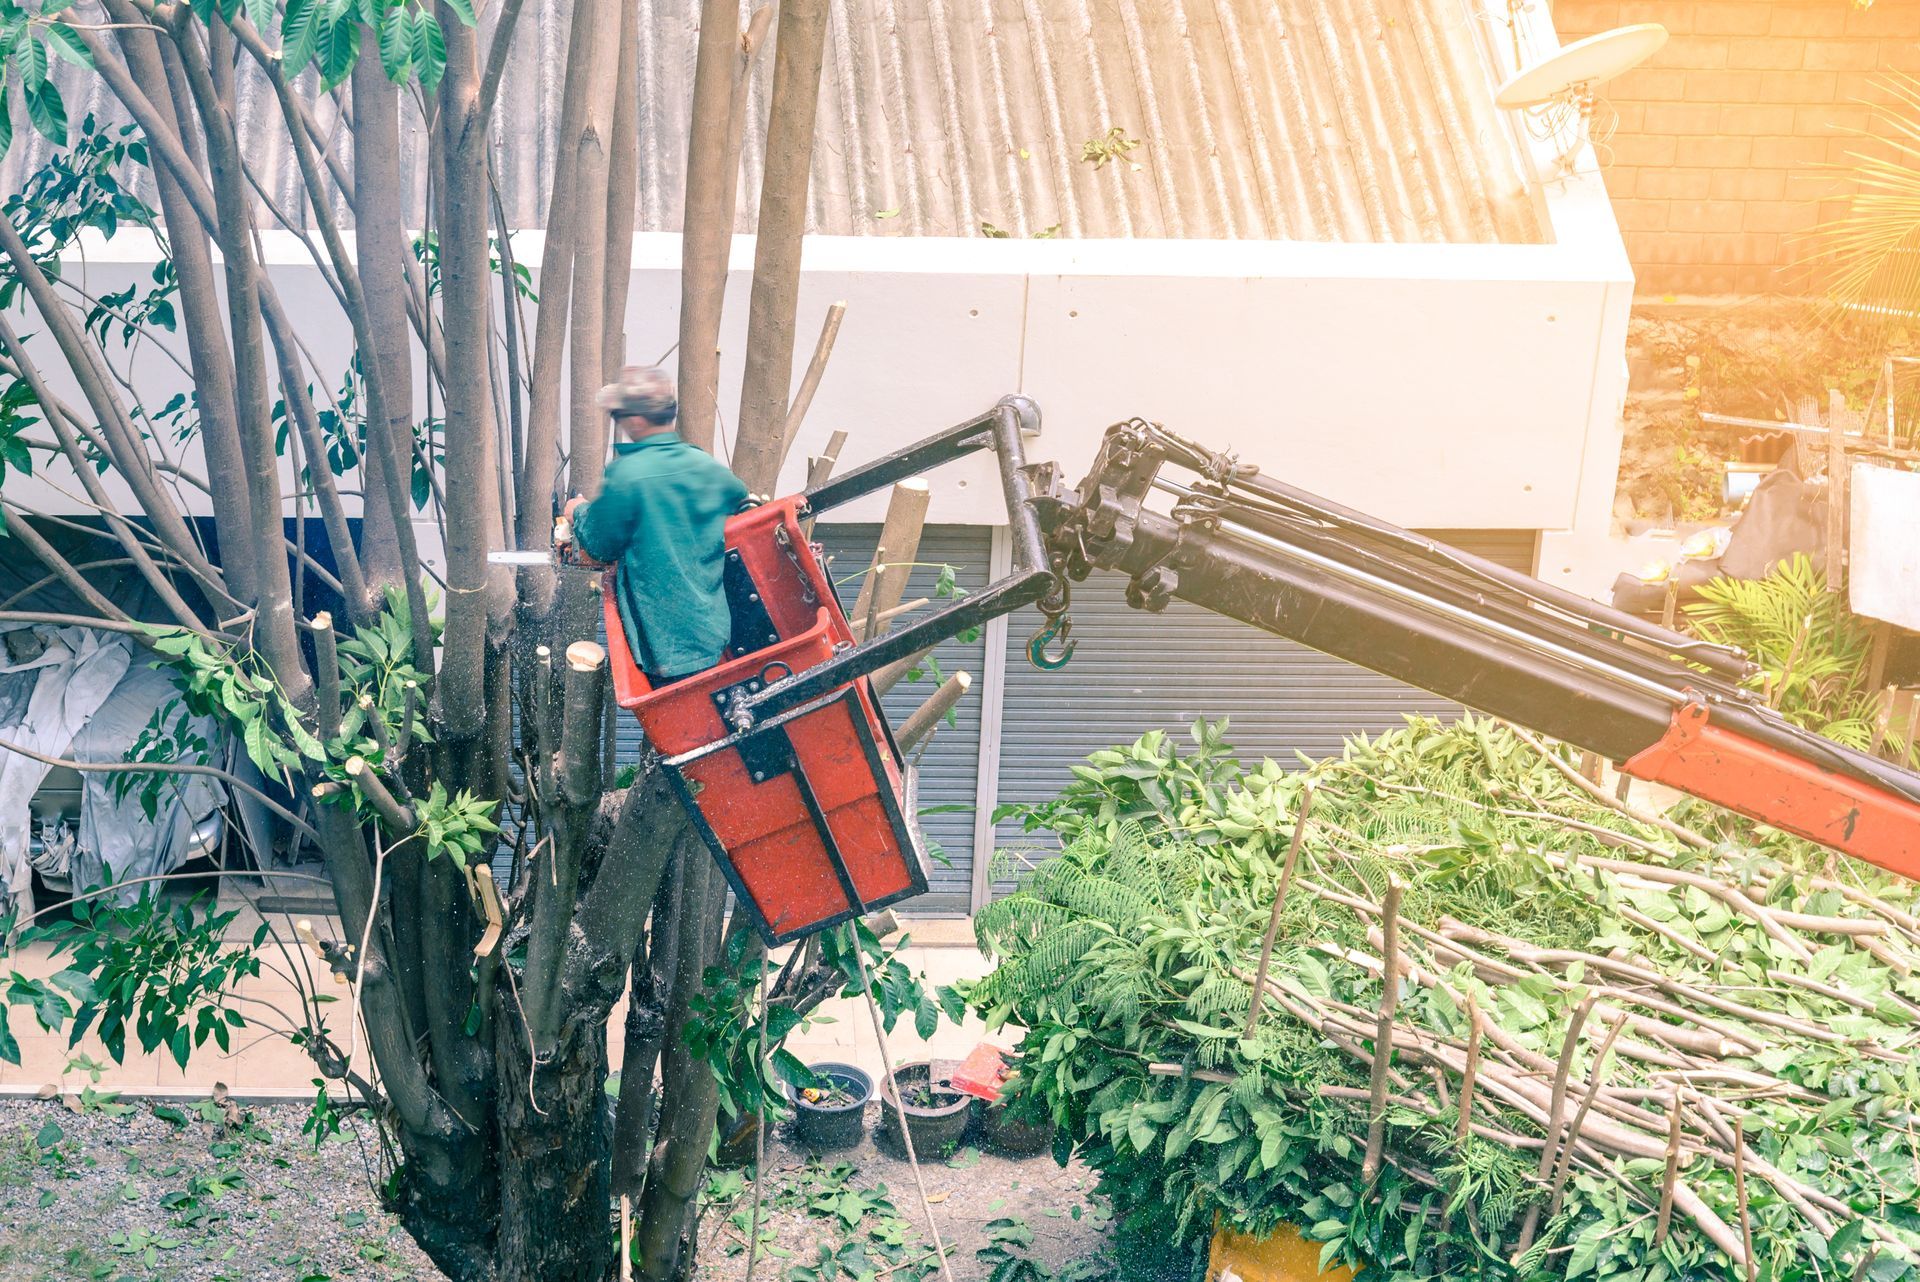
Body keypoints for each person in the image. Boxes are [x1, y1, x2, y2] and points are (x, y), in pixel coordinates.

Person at [564, 366, 751, 685]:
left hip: (665, 645)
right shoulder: (702, 464)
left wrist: (577, 511)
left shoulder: (627, 474)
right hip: (711, 631)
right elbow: (740, 498)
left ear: (635, 419)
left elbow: (599, 544)